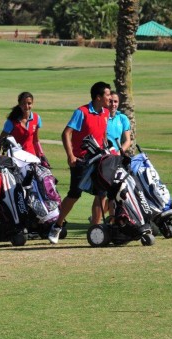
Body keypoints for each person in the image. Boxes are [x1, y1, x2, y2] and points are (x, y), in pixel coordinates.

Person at [48, 81, 111, 244]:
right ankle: (57, 225)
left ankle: (96, 230)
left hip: (99, 159)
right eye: (108, 95)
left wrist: (106, 150)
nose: (110, 98)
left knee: (101, 194)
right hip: (81, 161)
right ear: (98, 97)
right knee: (74, 194)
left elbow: (103, 135)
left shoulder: (105, 113)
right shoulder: (81, 112)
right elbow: (66, 133)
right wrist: (70, 156)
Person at [0, 91, 50, 167]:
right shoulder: (11, 121)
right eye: (23, 103)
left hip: (31, 158)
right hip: (15, 159)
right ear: (19, 104)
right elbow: (0, 140)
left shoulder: (37, 118)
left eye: (29, 103)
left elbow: (36, 140)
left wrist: (41, 154)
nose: (26, 106)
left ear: (32, 103)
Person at [104, 91, 132, 220]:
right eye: (111, 101)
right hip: (105, 158)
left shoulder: (122, 118)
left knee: (120, 189)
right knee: (108, 192)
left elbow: (127, 140)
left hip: (118, 158)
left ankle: (112, 217)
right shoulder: (102, 117)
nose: (113, 104)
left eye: (115, 102)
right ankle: (109, 219)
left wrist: (120, 151)